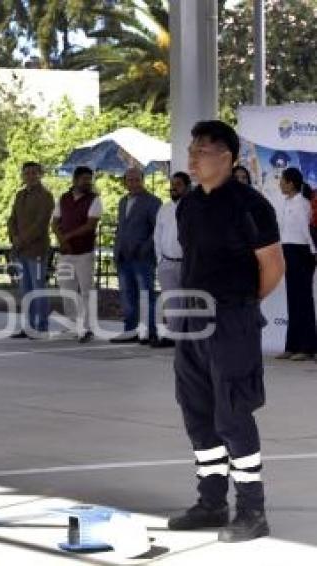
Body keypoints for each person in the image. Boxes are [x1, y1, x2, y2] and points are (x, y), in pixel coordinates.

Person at [168, 120, 284, 542]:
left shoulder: (250, 205)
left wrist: (241, 304)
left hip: (232, 321)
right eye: (191, 149)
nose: (192, 158)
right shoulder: (189, 206)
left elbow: (273, 267)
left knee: (232, 411)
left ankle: (252, 511)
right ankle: (211, 501)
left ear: (227, 157)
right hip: (191, 320)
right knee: (196, 411)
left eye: (201, 150)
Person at [110, 167, 162, 345]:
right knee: (127, 296)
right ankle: (129, 331)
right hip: (123, 256)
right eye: (129, 180)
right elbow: (121, 227)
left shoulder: (153, 201)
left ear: (142, 180)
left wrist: (145, 248)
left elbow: (157, 229)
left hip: (142, 258)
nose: (132, 183)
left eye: (136, 180)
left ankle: (150, 332)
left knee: (146, 295)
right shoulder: (123, 201)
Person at [51, 166, 102, 343]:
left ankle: (87, 328)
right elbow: (54, 222)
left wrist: (67, 237)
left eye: (90, 178)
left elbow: (90, 225)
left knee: (86, 290)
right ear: (75, 180)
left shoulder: (94, 199)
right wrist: (62, 240)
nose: (88, 182)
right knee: (66, 289)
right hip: (66, 253)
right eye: (84, 178)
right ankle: (72, 325)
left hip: (84, 253)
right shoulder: (64, 198)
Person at [7, 161, 55, 339]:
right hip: (20, 250)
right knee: (25, 289)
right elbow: (12, 219)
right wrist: (14, 238)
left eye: (34, 173)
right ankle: (27, 326)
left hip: (37, 249)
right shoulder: (20, 195)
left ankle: (41, 326)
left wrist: (23, 240)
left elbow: (41, 223)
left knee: (38, 288)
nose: (30, 176)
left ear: (40, 174)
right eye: (27, 173)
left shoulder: (46, 196)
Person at [273, 167, 316, 361]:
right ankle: (292, 345)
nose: (280, 183)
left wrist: (313, 254)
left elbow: (308, 232)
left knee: (303, 300)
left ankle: (307, 348)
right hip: (288, 251)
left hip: (303, 253)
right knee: (293, 299)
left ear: (290, 183)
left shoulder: (303, 204)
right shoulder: (285, 202)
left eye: (282, 180)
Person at [152, 171, 191, 348]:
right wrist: (160, 258)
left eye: (178, 184)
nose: (173, 187)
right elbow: (157, 235)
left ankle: (185, 337)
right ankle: (172, 335)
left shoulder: (195, 207)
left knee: (189, 301)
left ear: (188, 187)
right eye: (172, 184)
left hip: (187, 263)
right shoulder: (165, 208)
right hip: (167, 262)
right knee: (171, 301)